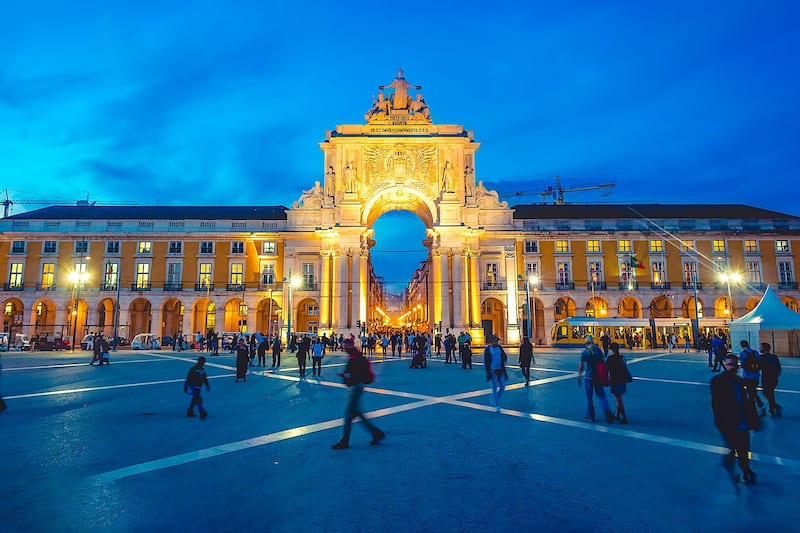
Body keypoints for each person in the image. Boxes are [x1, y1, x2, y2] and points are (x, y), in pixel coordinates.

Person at [711, 353, 758, 484]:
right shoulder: (718, 382)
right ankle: (736, 469)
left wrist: (754, 419)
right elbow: (716, 405)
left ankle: (745, 470)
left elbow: (747, 402)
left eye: (734, 365)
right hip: (728, 423)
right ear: (725, 365)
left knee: (743, 449)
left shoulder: (739, 381)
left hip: (743, 423)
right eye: (729, 364)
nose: (732, 367)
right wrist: (721, 423)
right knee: (735, 448)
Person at [331, 339, 385, 449]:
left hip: (356, 387)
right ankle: (375, 433)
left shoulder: (356, 359)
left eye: (345, 347)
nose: (344, 349)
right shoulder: (355, 357)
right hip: (356, 387)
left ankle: (345, 441)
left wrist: (346, 375)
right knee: (355, 414)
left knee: (348, 415)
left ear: (350, 346)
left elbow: (356, 374)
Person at [577, 335, 614, 423]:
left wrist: (579, 377)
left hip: (588, 377)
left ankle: (591, 416)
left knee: (589, 398)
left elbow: (581, 367)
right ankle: (607, 412)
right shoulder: (598, 351)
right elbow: (603, 362)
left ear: (586, 343)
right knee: (602, 396)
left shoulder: (584, 352)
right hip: (598, 377)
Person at [605, 342, 630, 424]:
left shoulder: (610, 358)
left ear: (611, 349)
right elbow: (625, 367)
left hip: (615, 380)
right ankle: (617, 414)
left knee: (618, 399)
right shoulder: (622, 357)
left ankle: (624, 417)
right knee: (618, 397)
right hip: (623, 379)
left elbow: (606, 369)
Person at [740, 340, 766, 416]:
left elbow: (742, 365)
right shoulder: (756, 352)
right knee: (753, 392)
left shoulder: (742, 354)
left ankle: (755, 409)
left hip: (747, 376)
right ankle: (760, 407)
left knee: (750, 393)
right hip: (756, 376)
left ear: (741, 346)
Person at [484, 336, 508, 412]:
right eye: (495, 341)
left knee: (503, 386)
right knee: (494, 387)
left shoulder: (500, 348)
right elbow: (486, 361)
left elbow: (504, 356)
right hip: (492, 370)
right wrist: (488, 372)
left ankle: (495, 398)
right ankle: (497, 403)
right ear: (491, 342)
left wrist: (504, 358)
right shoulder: (488, 349)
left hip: (500, 369)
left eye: (497, 341)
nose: (496, 342)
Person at [759, 342, 782, 417]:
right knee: (770, 393)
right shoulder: (774, 357)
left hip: (766, 378)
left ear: (764, 349)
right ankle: (773, 408)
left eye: (761, 347)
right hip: (774, 378)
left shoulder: (762, 358)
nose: (760, 348)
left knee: (767, 393)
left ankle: (774, 408)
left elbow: (759, 367)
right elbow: (778, 367)